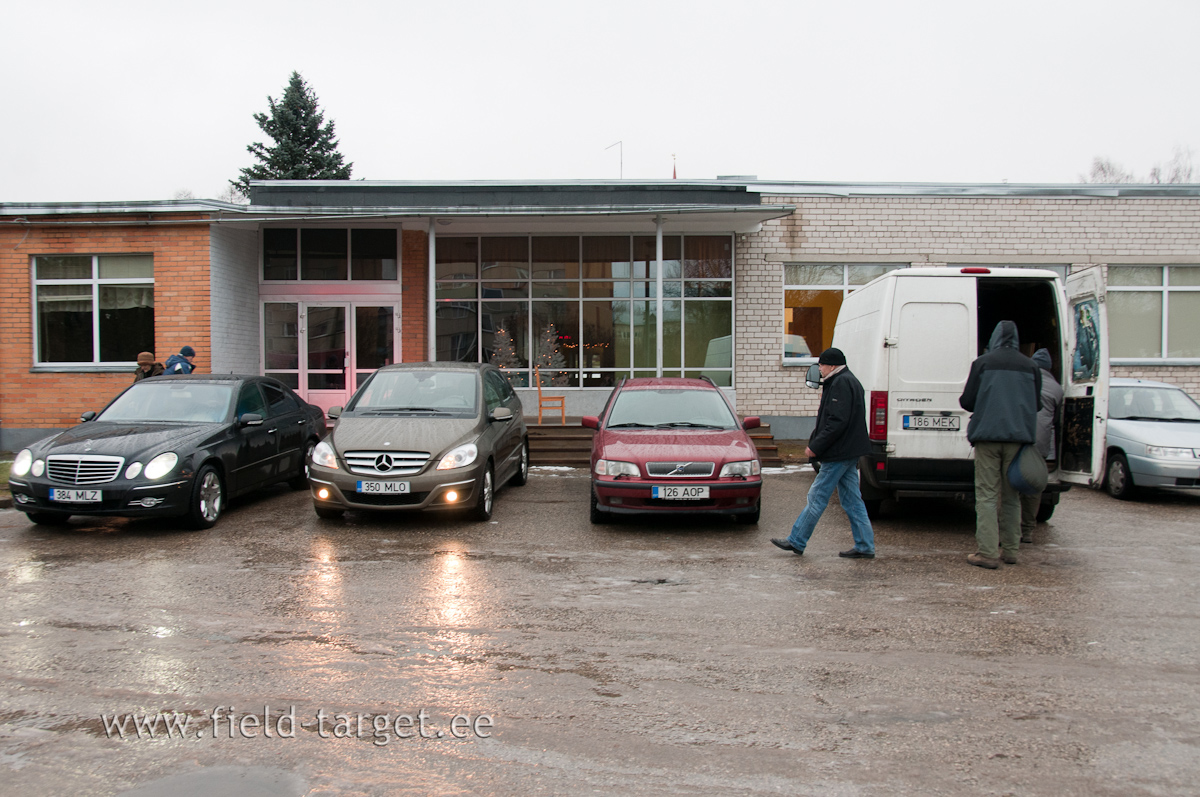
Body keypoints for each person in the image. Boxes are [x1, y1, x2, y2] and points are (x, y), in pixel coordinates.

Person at [771, 347, 875, 559]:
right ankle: (864, 545)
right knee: (852, 501)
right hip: (849, 451)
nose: (819, 369)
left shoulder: (840, 383)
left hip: (838, 453)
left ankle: (797, 540)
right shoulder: (849, 380)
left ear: (832, 365)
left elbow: (836, 422)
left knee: (817, 496)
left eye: (821, 365)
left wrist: (816, 446)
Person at [958, 321, 1041, 569]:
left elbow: (967, 401)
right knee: (1012, 494)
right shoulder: (1031, 366)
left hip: (987, 437)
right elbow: (1036, 404)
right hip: (1018, 439)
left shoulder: (982, 363)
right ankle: (1011, 550)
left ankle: (987, 553)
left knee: (986, 495)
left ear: (994, 338)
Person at [1019, 347, 1063, 544]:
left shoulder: (1023, 380)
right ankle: (1027, 530)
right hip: (1040, 445)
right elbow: (1056, 420)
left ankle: (1008, 532)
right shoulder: (1057, 388)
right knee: (1033, 487)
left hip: (1019, 438)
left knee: (1011, 484)